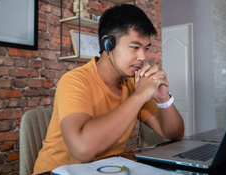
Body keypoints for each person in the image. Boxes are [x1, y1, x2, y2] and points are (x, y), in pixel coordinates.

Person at [33, 4, 184, 174]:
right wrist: (140, 95)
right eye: (135, 47)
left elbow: (174, 133)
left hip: (106, 170)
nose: (143, 57)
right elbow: (83, 149)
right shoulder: (75, 80)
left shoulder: (133, 84)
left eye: (146, 48)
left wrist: (164, 99)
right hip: (56, 171)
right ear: (108, 44)